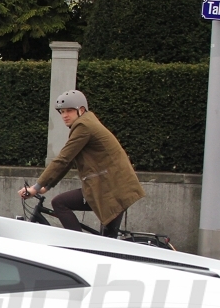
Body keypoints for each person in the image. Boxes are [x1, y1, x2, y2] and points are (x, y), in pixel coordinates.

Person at [17, 90, 145, 237]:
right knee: (108, 240)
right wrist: (48, 185)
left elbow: (63, 159)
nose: (64, 115)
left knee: (60, 203)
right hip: (112, 186)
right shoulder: (87, 123)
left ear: (81, 110)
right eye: (62, 112)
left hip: (111, 188)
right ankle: (85, 247)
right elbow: (68, 160)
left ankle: (80, 245)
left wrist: (36, 187)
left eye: (69, 111)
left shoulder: (83, 126)